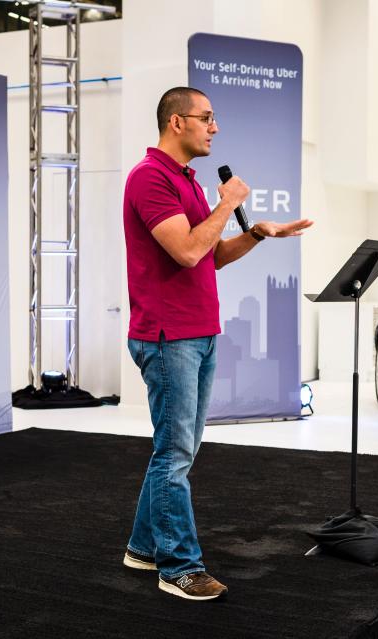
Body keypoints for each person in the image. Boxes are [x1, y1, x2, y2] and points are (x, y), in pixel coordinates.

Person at [121, 86, 313, 601]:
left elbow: (209, 255)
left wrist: (255, 234)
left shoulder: (186, 179)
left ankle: (143, 548)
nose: (215, 127)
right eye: (207, 118)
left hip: (198, 332)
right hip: (168, 337)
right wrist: (227, 204)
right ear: (176, 123)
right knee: (175, 454)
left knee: (176, 450)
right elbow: (186, 251)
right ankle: (178, 566)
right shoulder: (150, 178)